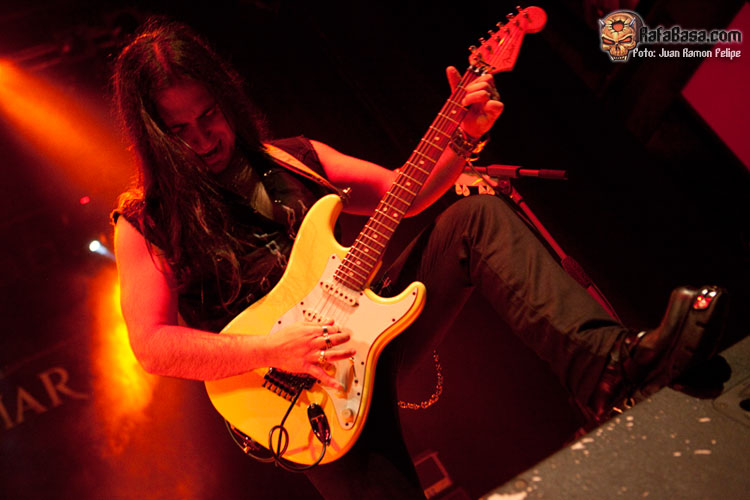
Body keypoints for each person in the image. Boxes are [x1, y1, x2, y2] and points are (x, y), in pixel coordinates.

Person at [111, 18, 727, 500]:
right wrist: (272, 349)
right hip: (294, 396)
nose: (203, 138)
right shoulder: (144, 222)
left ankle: (611, 370)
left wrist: (462, 135)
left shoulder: (293, 156)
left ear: (226, 98)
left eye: (209, 115)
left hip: (374, 330)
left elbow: (406, 192)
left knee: (474, 217)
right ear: (154, 135)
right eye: (180, 130)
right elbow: (153, 346)